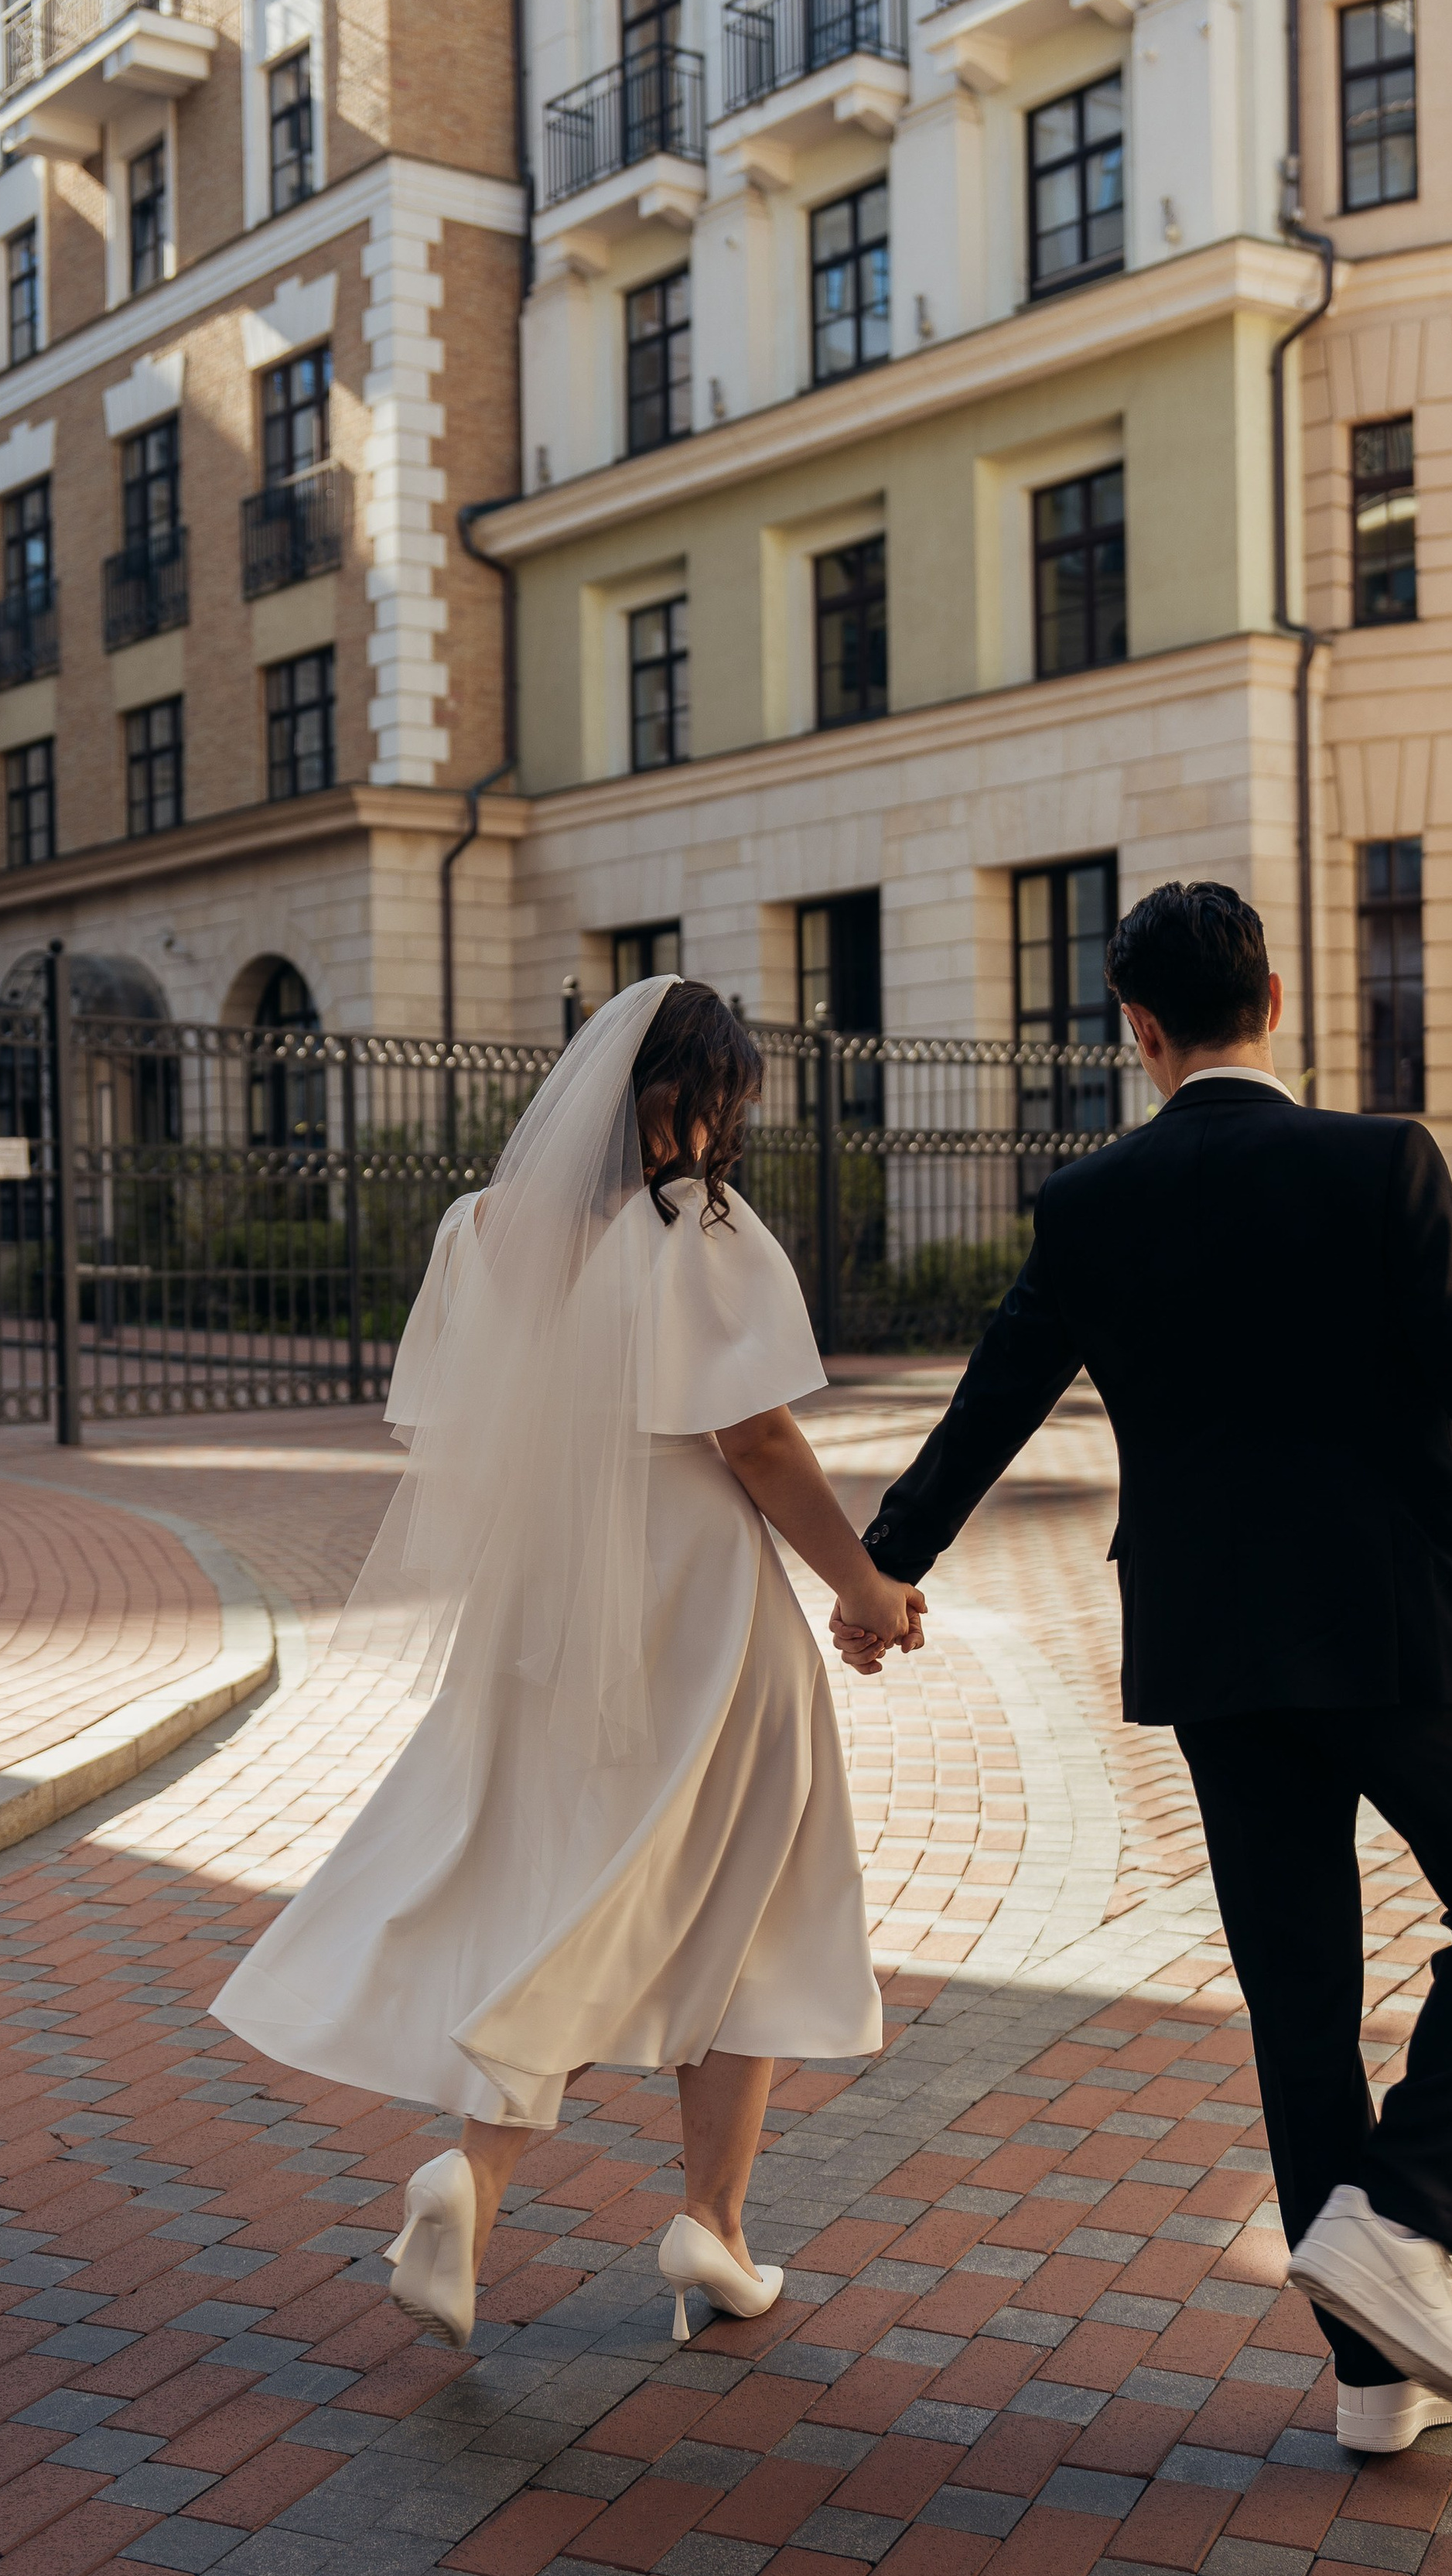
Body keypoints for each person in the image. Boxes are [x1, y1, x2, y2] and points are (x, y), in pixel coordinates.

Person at [838, 881, 1452, 2455]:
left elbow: (992, 1398)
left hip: (1220, 1655)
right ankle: (1407, 2211)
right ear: (1277, 1002)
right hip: (1410, 1634)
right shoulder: (1377, 1163)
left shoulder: (1090, 1207)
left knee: (1297, 2001)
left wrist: (889, 1565)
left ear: (1137, 1031)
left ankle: (1368, 2382)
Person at [215, 977, 924, 2351]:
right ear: (700, 1096)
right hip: (698, 1600)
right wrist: (870, 1589)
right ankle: (675, 2218)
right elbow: (756, 1442)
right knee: (744, 1880)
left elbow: (447, 1423)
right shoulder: (697, 1229)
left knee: (585, 1882)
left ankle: (609, 2211)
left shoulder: (481, 1233)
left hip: (544, 1609)